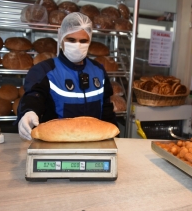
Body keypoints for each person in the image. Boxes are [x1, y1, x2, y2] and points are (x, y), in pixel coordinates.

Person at [16, 12, 117, 140]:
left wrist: (114, 137)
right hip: (57, 144)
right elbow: (34, 96)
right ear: (61, 39)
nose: (77, 45)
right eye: (71, 40)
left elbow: (106, 109)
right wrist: (28, 112)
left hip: (94, 142)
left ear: (90, 41)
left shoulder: (98, 71)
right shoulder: (44, 70)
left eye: (83, 41)